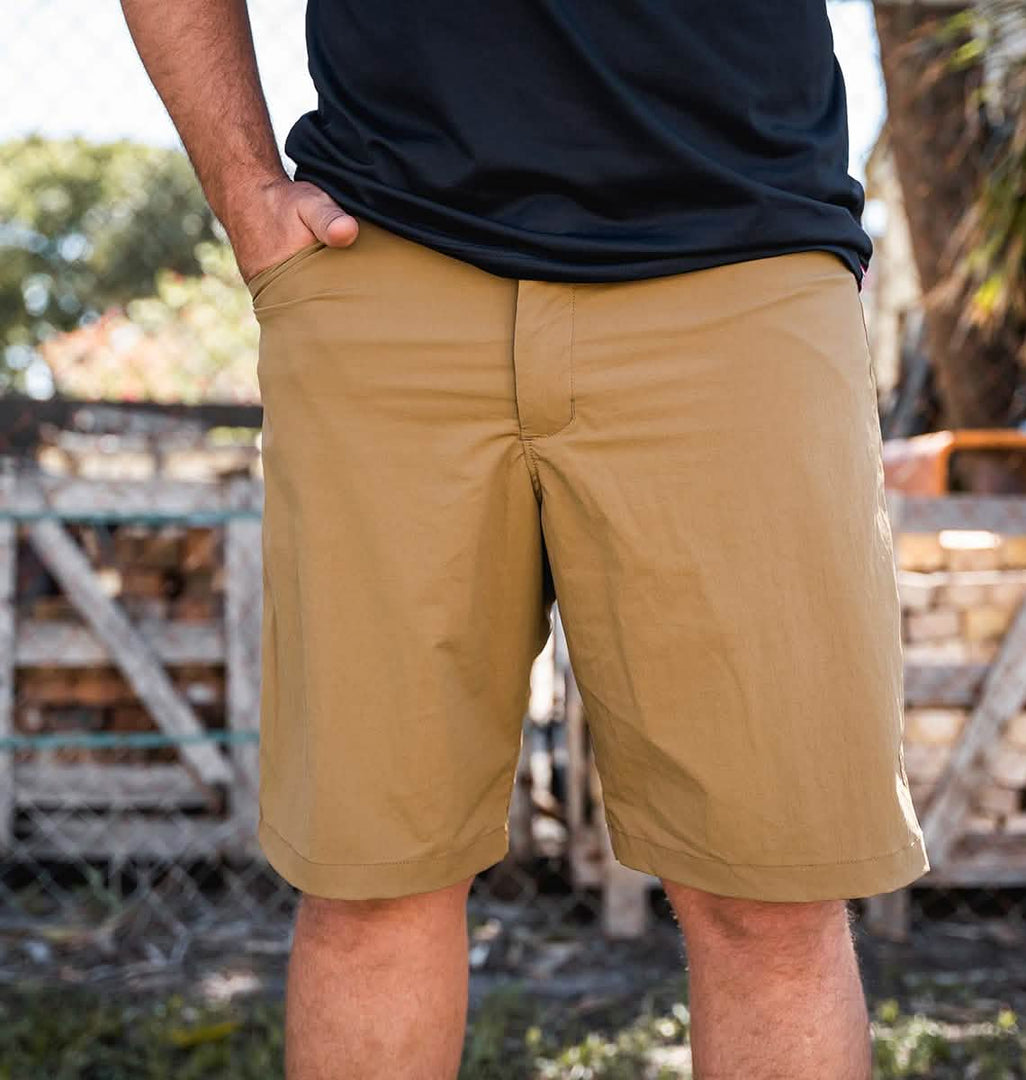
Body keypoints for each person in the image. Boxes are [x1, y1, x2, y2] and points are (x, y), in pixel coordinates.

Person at [122, 2, 929, 1075]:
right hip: (386, 258)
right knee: (373, 879)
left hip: (741, 265)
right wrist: (244, 192)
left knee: (771, 899)